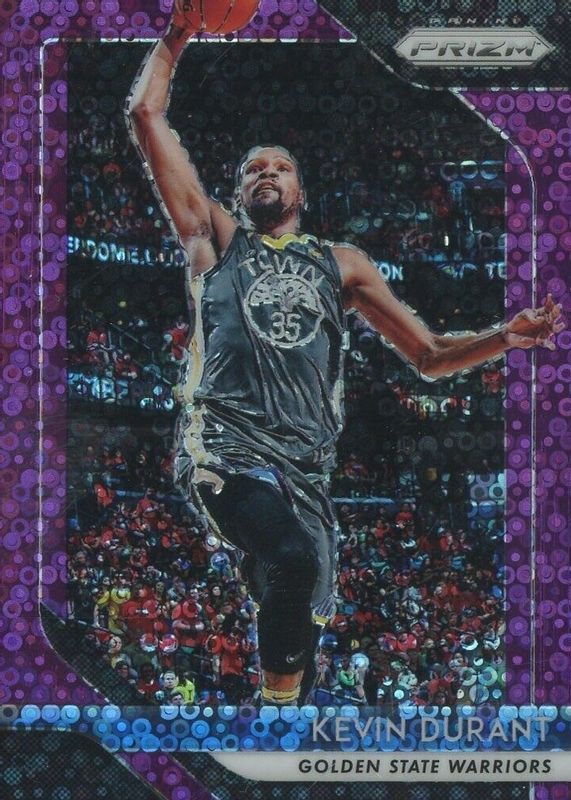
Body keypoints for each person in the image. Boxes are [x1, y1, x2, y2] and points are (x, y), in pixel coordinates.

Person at [126, 4, 564, 706]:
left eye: (280, 167)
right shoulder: (215, 240)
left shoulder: (343, 264)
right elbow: (146, 116)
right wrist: (177, 37)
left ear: (300, 192)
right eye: (253, 169)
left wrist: (502, 338)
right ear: (238, 192)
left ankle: (283, 701)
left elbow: (427, 356)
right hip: (227, 447)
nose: (266, 173)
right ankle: (276, 724)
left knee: (298, 606)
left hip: (303, 467)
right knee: (292, 561)